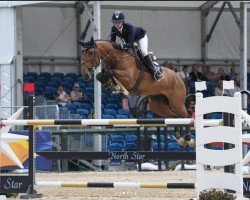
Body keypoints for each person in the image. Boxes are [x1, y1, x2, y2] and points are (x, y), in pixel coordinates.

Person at [110, 11, 163, 82]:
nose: (117, 24)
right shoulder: (113, 29)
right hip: (130, 40)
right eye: (115, 22)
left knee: (143, 52)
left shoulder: (129, 27)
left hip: (140, 37)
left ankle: (154, 72)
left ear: (122, 22)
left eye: (118, 22)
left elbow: (131, 44)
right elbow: (112, 43)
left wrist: (120, 46)